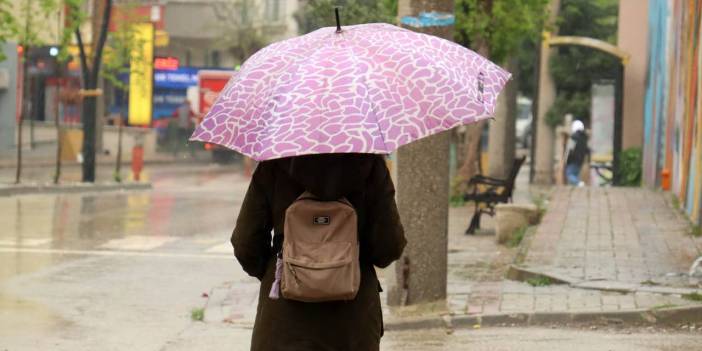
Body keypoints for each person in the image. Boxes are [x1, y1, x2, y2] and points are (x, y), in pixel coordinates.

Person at [232, 153, 406, 351]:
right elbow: (389, 247)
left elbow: (245, 243)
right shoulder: (370, 166)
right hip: (352, 323)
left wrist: (279, 270)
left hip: (284, 322)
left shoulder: (273, 165)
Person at [565, 120, 589, 186]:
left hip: (572, 160)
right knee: (575, 174)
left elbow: (569, 149)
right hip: (581, 160)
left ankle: (579, 183)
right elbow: (586, 150)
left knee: (569, 174)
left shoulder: (573, 137)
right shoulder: (584, 138)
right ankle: (577, 186)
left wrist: (567, 160)